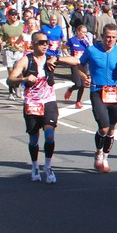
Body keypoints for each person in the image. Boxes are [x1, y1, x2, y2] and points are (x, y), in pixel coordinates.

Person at [8, 31, 83, 183]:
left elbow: (75, 61)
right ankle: (35, 165)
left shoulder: (51, 58)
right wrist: (24, 78)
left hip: (49, 101)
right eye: (41, 42)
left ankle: (48, 166)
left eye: (46, 42)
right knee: (34, 139)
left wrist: (57, 58)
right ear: (33, 44)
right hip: (32, 103)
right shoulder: (25, 60)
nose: (45, 45)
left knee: (49, 135)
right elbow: (10, 80)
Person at [77, 24, 117, 173]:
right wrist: (84, 77)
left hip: (114, 92)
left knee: (112, 130)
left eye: (113, 37)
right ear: (102, 36)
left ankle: (106, 157)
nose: (110, 40)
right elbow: (79, 65)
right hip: (97, 90)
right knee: (104, 127)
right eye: (107, 37)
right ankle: (99, 152)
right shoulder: (92, 50)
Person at [63, 23, 90, 109]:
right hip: (74, 63)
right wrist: (68, 56)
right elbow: (64, 48)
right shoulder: (72, 40)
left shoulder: (85, 42)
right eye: (83, 32)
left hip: (83, 64)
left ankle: (78, 101)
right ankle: (70, 89)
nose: (84, 34)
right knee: (78, 84)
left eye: (86, 32)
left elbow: (91, 50)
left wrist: (88, 42)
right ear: (78, 32)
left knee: (83, 84)